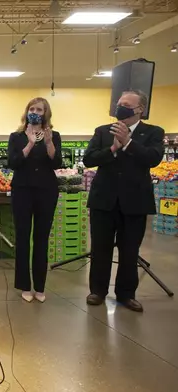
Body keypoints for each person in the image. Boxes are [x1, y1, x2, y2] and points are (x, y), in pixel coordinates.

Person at [83, 90, 164, 312]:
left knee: (130, 251)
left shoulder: (153, 133)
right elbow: (88, 159)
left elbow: (153, 158)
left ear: (140, 110)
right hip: (103, 200)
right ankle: (97, 291)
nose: (121, 107)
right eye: (119, 103)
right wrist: (112, 149)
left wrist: (128, 143)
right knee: (100, 248)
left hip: (135, 201)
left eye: (127, 104)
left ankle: (126, 294)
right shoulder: (103, 131)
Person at [7, 97, 62, 303]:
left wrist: (48, 144)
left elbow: (57, 163)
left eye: (40, 109)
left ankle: (40, 286)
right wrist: (30, 143)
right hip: (22, 191)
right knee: (22, 238)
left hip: (46, 191)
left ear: (45, 113)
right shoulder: (17, 136)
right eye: (32, 108)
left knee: (41, 239)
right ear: (27, 111)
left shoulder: (54, 136)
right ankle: (24, 285)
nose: (35, 112)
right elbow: (13, 163)